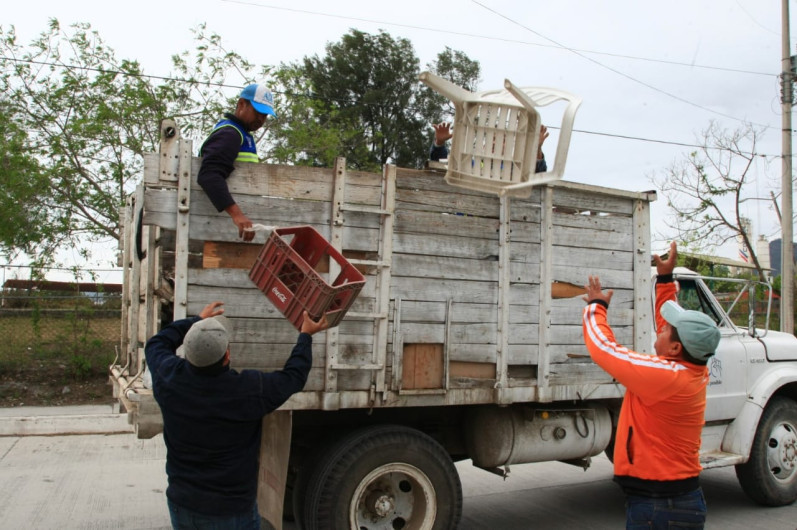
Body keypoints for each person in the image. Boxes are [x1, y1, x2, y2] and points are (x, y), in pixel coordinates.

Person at [144, 301, 329, 529]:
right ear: (227, 355)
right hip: (230, 511)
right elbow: (294, 377)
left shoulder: (168, 377)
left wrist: (195, 322)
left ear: (187, 352)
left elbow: (156, 343)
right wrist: (305, 335)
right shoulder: (248, 390)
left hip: (182, 504)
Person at [581, 241, 720, 530]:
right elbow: (668, 329)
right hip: (676, 501)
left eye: (667, 329)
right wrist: (666, 280)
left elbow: (604, 349)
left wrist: (597, 308)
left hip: (660, 508)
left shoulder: (665, 378)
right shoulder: (691, 369)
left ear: (675, 348)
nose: (661, 328)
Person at [197, 83, 276, 242]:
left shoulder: (242, 134)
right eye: (258, 112)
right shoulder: (230, 133)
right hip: (213, 226)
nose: (261, 119)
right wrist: (237, 215)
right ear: (241, 104)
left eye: (265, 115)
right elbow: (209, 175)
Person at [429, 121, 549, 173]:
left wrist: (537, 149)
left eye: (500, 140)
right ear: (483, 145)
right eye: (491, 139)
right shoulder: (469, 163)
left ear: (508, 147)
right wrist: (439, 144)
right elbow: (440, 162)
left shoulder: (515, 169)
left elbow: (538, 172)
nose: (493, 143)